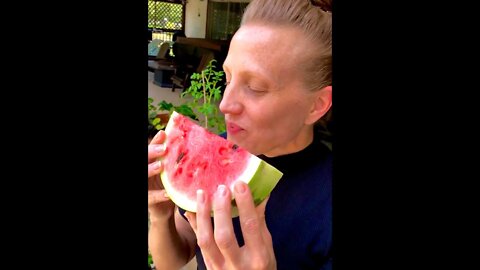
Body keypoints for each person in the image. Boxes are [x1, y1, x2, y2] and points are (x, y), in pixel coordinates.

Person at [147, 0, 332, 269]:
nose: (225, 104)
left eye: (255, 86)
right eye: (228, 78)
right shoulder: (217, 153)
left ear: (317, 105)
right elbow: (173, 261)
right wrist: (160, 215)